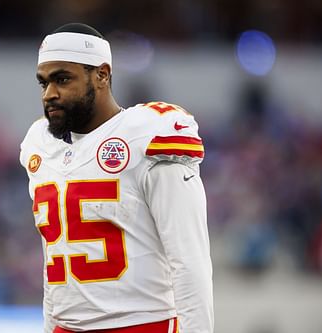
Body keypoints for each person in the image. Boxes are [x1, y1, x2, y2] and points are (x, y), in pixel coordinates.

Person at [19, 23, 213, 333]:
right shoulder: (40, 143)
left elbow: (190, 260)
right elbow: (54, 256)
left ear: (102, 75)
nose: (50, 94)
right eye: (43, 83)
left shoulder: (148, 134)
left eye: (62, 79)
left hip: (141, 325)